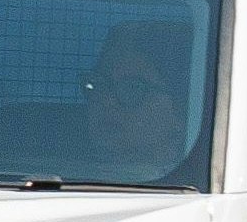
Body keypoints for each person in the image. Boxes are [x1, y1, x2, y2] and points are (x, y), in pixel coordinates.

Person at [83, 18, 195, 176]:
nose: (106, 100)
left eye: (132, 88)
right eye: (99, 84)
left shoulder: (204, 195)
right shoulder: (53, 172)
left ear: (182, 109)